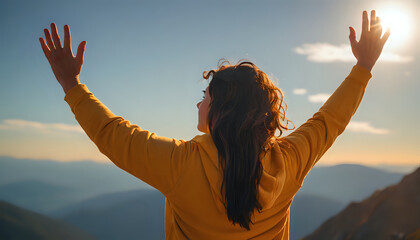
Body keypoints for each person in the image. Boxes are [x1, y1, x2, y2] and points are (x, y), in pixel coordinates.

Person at [39, 10, 389, 240]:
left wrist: (71, 84)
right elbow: (330, 121)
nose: (198, 103)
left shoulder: (179, 164)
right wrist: (364, 67)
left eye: (205, 96)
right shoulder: (290, 161)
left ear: (220, 110)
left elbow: (112, 134)